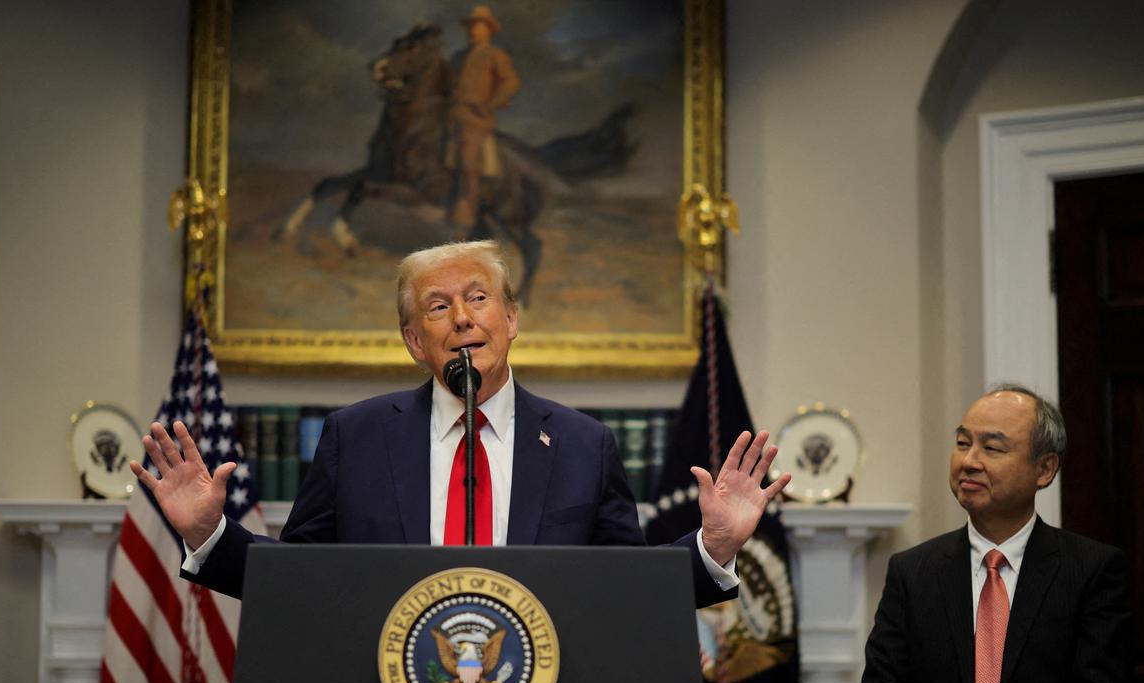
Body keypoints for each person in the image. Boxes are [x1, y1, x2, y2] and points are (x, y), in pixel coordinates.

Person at [131, 240, 789, 606]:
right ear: (416, 341)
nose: (463, 318)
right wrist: (209, 535)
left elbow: (626, 591)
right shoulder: (354, 438)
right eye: (438, 307)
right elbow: (301, 582)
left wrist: (715, 548)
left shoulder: (584, 445)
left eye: (478, 298)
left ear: (511, 318)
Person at [862, 385, 1131, 683]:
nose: (969, 460)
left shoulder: (1092, 571)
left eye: (993, 447)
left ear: (1045, 469)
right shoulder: (913, 571)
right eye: (963, 442)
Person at [447, 5, 520, 229]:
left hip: (476, 120)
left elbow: (511, 83)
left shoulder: (496, 55)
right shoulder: (458, 57)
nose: (473, 30)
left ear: (489, 30)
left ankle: (465, 218)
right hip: (451, 116)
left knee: (468, 161)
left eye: (479, 26)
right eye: (471, 26)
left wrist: (489, 106)